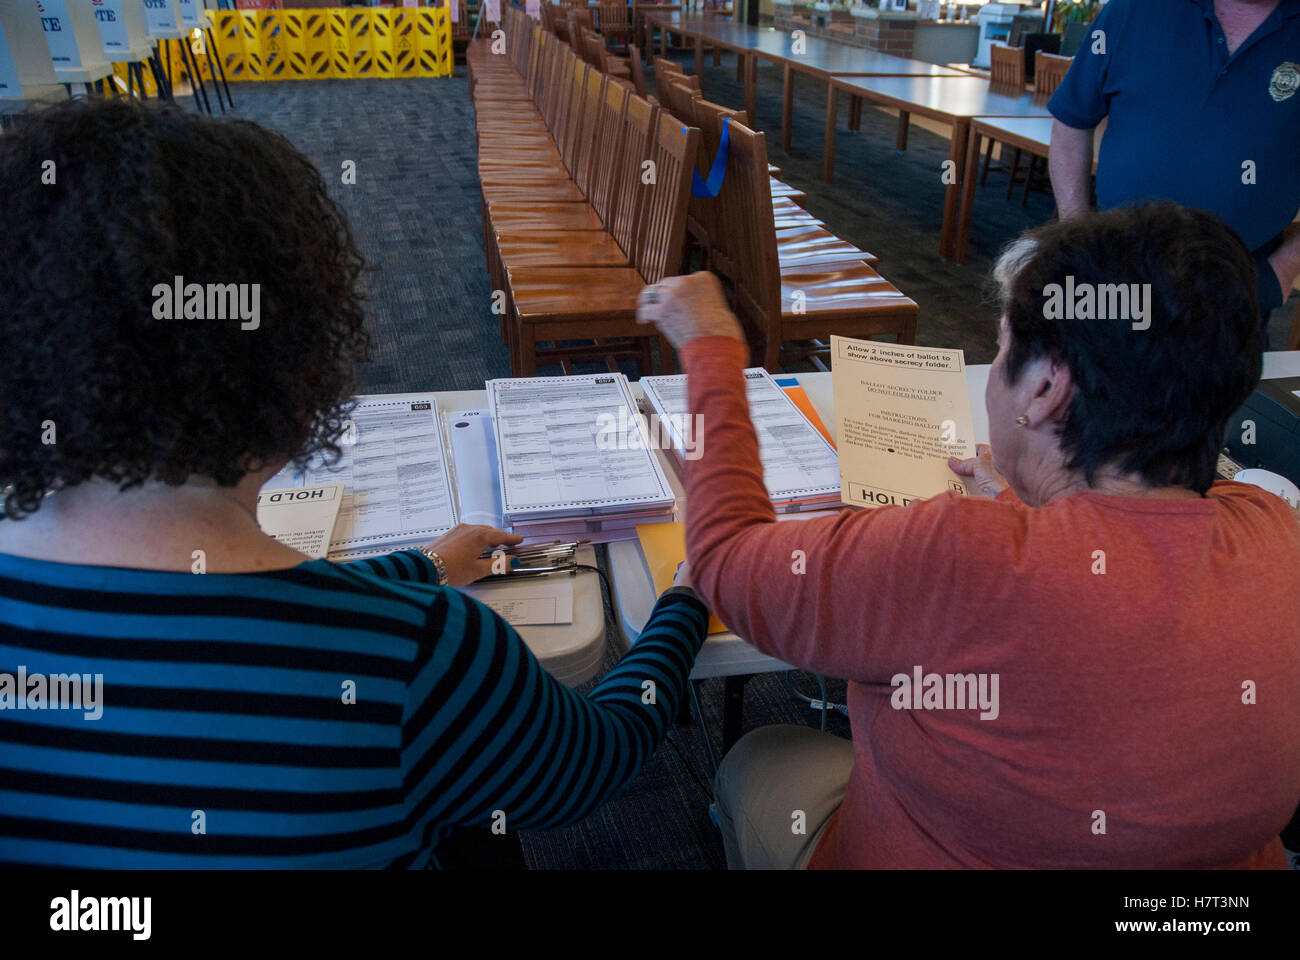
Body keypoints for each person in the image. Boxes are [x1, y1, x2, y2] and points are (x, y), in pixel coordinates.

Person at [0, 98, 709, 868]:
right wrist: (684, 600)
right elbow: (594, 762)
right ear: (297, 355)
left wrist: (422, 566)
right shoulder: (416, 654)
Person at [637, 202, 1300, 869]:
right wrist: (1026, 499)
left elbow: (723, 557)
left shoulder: (962, 556)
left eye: (1003, 348)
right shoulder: (1277, 534)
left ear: (1044, 389)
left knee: (756, 756)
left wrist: (710, 344)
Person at [1047, 0, 1300, 341]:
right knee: (1101, 386)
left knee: (1222, 394)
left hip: (1241, 284)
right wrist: (1078, 239)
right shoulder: (1134, 9)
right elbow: (1071, 122)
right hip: (1115, 267)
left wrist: (1282, 270)